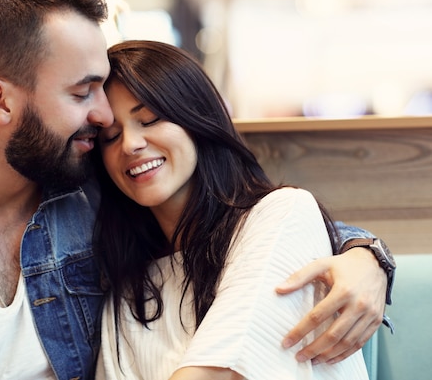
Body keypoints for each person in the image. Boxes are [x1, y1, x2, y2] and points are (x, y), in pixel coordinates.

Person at [0, 0, 390, 380]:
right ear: (0, 101)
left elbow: (264, 224)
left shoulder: (95, 189)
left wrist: (369, 258)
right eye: (83, 91)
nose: (106, 119)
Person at [92, 40, 387, 379]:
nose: (130, 145)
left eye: (150, 119)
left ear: (196, 118)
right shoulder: (127, 289)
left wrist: (370, 254)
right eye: (110, 136)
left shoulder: (282, 213)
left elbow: (219, 373)